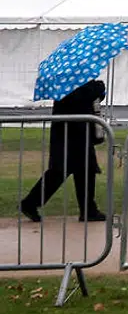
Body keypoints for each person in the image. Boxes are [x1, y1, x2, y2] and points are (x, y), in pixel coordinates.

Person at [19, 79, 108, 223]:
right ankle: (30, 203)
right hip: (71, 134)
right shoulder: (70, 85)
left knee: (85, 171)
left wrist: (96, 88)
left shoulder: (66, 84)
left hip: (77, 133)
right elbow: (84, 96)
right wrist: (98, 86)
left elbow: (92, 97)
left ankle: (88, 210)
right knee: (60, 172)